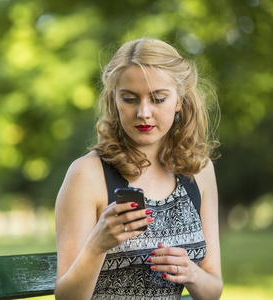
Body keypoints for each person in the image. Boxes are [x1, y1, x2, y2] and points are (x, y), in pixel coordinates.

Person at [54, 38, 223, 300]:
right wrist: (97, 246)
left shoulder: (199, 171)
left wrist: (191, 272)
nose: (143, 112)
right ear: (115, 101)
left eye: (158, 99)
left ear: (179, 101)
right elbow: (66, 297)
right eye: (130, 99)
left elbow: (213, 289)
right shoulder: (86, 175)